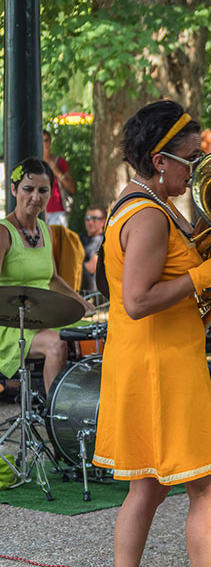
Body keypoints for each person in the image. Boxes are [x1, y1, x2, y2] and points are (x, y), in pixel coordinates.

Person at [92, 100, 211, 567]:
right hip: (163, 364)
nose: (195, 168)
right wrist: (203, 276)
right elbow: (137, 301)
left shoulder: (138, 201)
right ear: (160, 160)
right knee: (209, 487)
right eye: (191, 158)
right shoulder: (152, 216)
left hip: (147, 359)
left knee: (148, 488)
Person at [0, 158, 91, 394]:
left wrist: (80, 302)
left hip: (42, 317)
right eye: (28, 189)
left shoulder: (45, 229)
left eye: (43, 190)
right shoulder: (3, 232)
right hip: (10, 324)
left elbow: (52, 278)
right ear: (14, 190)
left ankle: (87, 405)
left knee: (93, 333)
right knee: (56, 344)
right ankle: (54, 411)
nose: (36, 197)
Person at [42, 129, 77, 227]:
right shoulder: (32, 163)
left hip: (58, 212)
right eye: (41, 140)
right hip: (38, 211)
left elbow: (72, 189)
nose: (44, 144)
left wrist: (58, 172)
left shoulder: (59, 162)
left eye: (46, 140)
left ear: (50, 142)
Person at [81, 204, 107, 293]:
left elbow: (92, 267)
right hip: (78, 292)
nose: (90, 222)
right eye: (87, 219)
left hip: (94, 295)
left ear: (103, 221)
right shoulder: (78, 239)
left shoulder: (105, 241)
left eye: (95, 218)